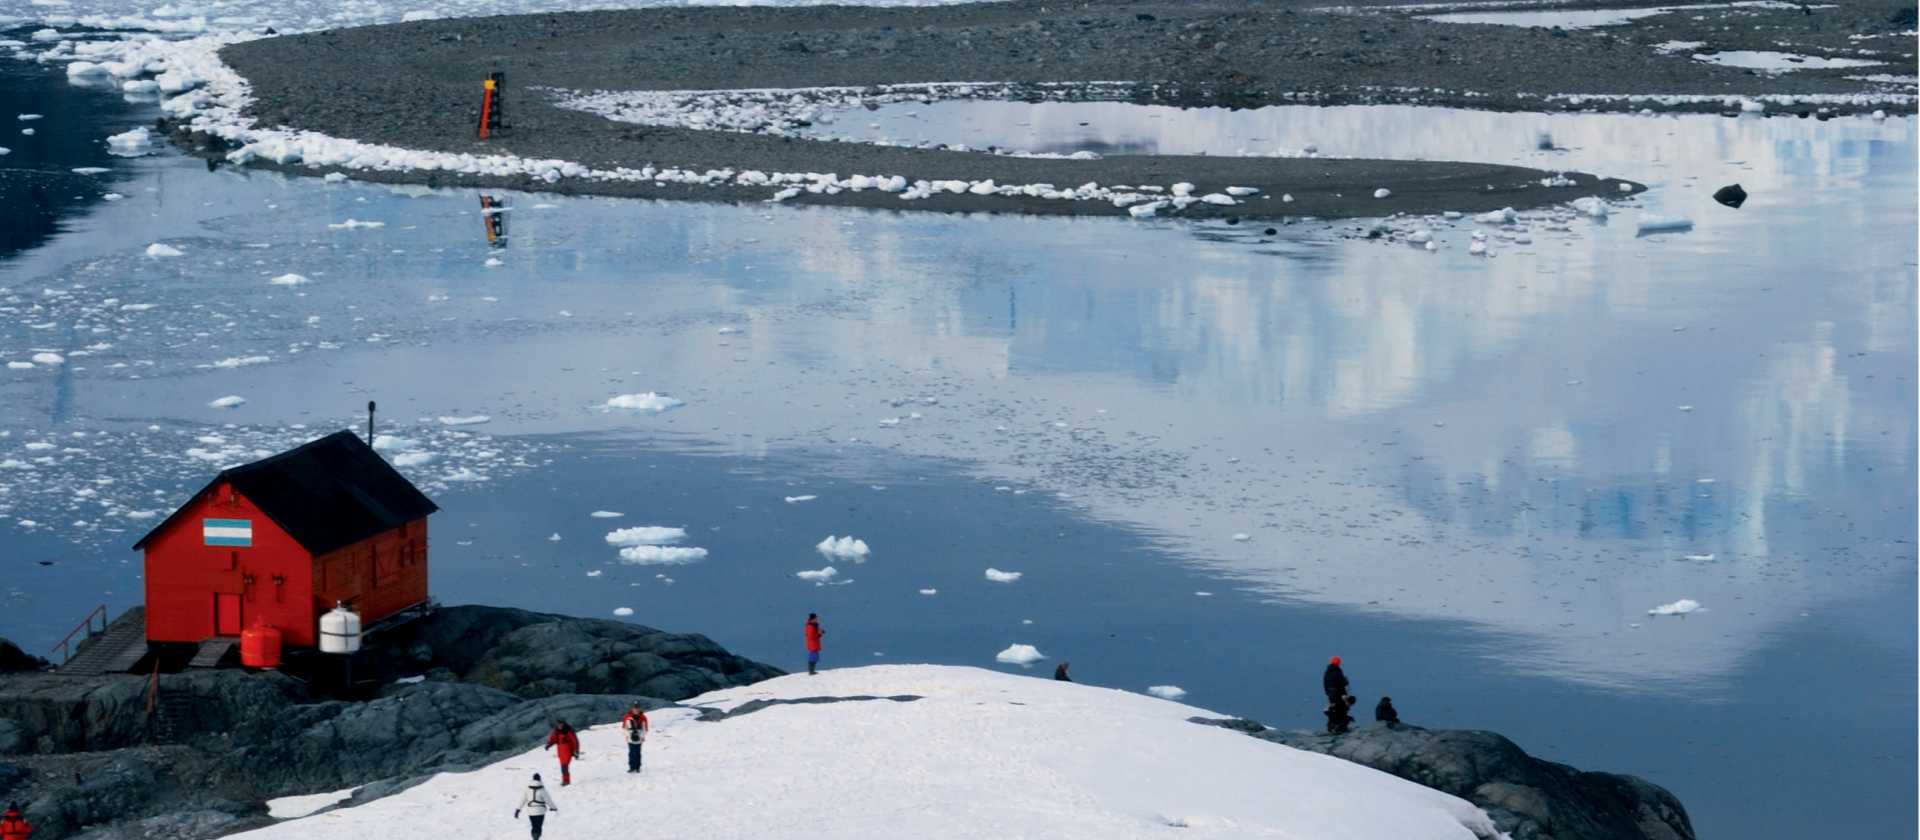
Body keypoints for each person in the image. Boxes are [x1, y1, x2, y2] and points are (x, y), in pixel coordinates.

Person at [513, 772, 557, 839]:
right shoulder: (542, 789)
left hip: (531, 812)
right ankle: (537, 838)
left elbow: (522, 800)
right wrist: (553, 808)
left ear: (533, 779)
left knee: (534, 826)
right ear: (539, 779)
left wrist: (518, 810)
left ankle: (534, 837)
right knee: (539, 826)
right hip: (540, 812)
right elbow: (548, 800)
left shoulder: (527, 789)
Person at [545, 721, 582, 786]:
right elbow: (553, 739)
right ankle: (565, 781)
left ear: (564, 724)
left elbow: (575, 741)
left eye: (561, 724)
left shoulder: (568, 731)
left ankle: (566, 781)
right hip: (561, 752)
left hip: (567, 751)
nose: (559, 726)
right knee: (563, 767)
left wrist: (576, 751)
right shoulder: (556, 731)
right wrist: (548, 745)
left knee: (564, 767)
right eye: (558, 724)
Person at [620, 702, 650, 773]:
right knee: (631, 753)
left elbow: (645, 728)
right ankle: (632, 767)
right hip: (630, 738)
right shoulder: (627, 717)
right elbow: (624, 728)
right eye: (634, 708)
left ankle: (637, 767)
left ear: (639, 709)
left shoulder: (643, 717)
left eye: (637, 708)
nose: (636, 710)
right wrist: (627, 735)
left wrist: (642, 736)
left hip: (639, 737)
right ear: (632, 709)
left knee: (637, 753)